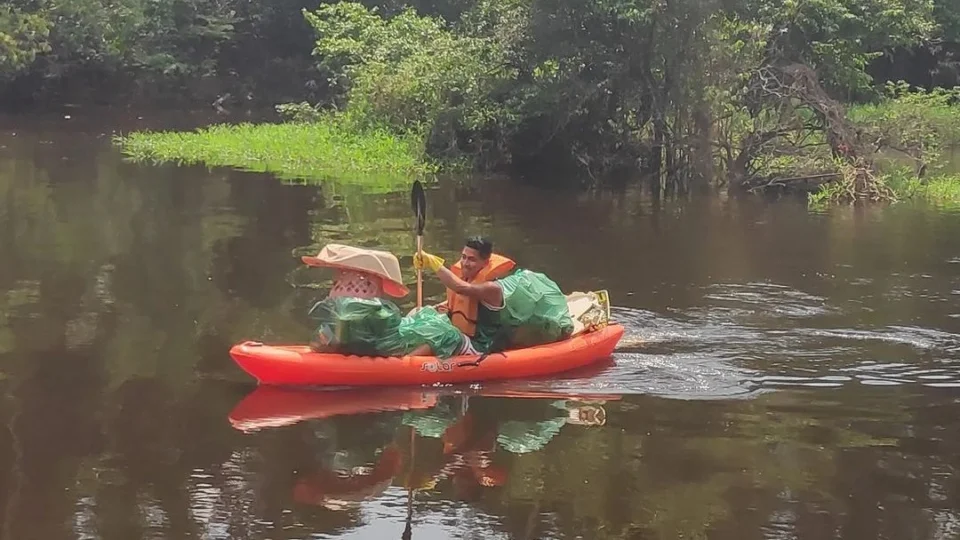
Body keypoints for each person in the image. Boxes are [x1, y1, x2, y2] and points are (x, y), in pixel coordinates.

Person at [413, 236, 574, 354]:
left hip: (481, 347)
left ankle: (407, 364)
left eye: (471, 260)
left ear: (485, 263)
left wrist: (433, 264)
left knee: (445, 336)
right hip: (464, 336)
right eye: (463, 257)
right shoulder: (467, 278)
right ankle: (398, 353)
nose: (465, 263)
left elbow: (462, 289)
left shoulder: (492, 289)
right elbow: (458, 300)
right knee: (420, 314)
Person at [303, 243, 466, 358]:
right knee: (449, 334)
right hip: (382, 343)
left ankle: (406, 362)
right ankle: (405, 365)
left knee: (424, 314)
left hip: (368, 334)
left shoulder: (338, 303)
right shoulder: (367, 308)